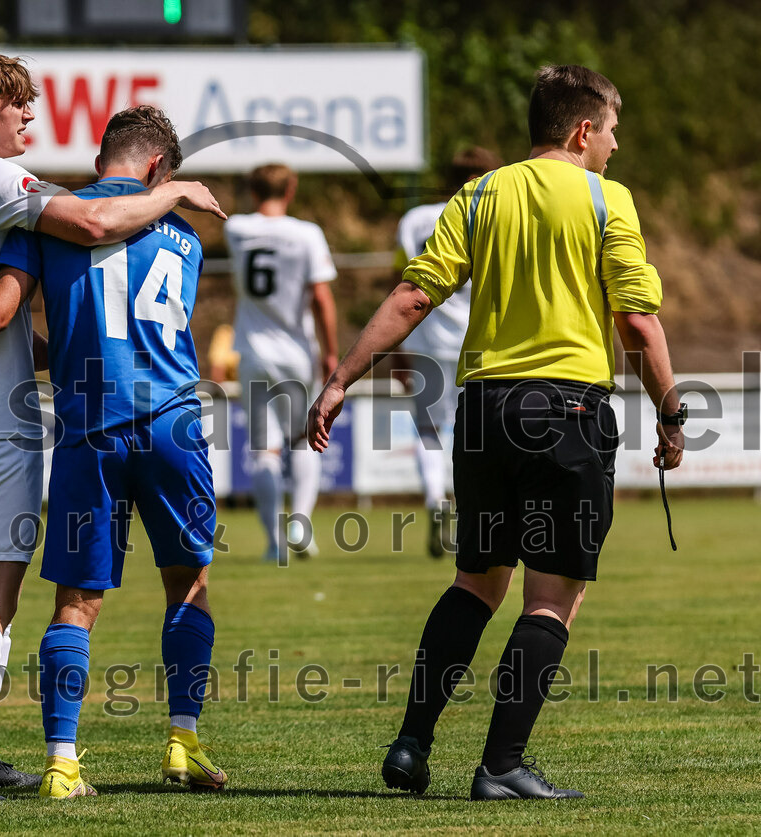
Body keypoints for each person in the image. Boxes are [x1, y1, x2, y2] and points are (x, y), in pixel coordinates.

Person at [308, 65, 685, 800]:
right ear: (583, 131)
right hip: (566, 413)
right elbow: (636, 321)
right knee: (551, 598)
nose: (614, 145)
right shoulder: (607, 201)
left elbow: (414, 294)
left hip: (482, 412)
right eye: (611, 131)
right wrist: (671, 410)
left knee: (476, 581)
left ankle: (413, 744)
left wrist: (340, 379)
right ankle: (502, 765)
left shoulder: (478, 195)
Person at [0, 47, 224, 803]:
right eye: (19, 107)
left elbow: (15, 313)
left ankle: (42, 756)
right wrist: (173, 196)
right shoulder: (51, 201)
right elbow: (101, 223)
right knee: (170, 581)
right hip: (145, 421)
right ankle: (176, 739)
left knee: (61, 597)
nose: (30, 121)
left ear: (104, 153)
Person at [0, 105, 225, 799]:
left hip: (89, 425)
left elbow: (31, 326)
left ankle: (62, 763)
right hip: (173, 423)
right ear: (159, 169)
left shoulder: (49, 218)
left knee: (76, 600)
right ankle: (182, 742)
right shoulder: (184, 237)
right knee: (188, 581)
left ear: (104, 160)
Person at [389, 147, 503, 558]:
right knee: (475, 432)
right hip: (479, 341)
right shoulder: (496, 215)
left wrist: (397, 352)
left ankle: (437, 502)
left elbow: (400, 286)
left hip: (423, 339)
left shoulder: (415, 219)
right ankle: (471, 511)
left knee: (427, 429)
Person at [223, 164, 338, 561]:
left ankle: (274, 544)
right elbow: (321, 298)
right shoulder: (307, 234)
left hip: (253, 352)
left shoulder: (236, 228)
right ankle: (300, 526)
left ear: (253, 191)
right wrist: (331, 351)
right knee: (305, 440)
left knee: (264, 450)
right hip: (296, 352)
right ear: (291, 189)